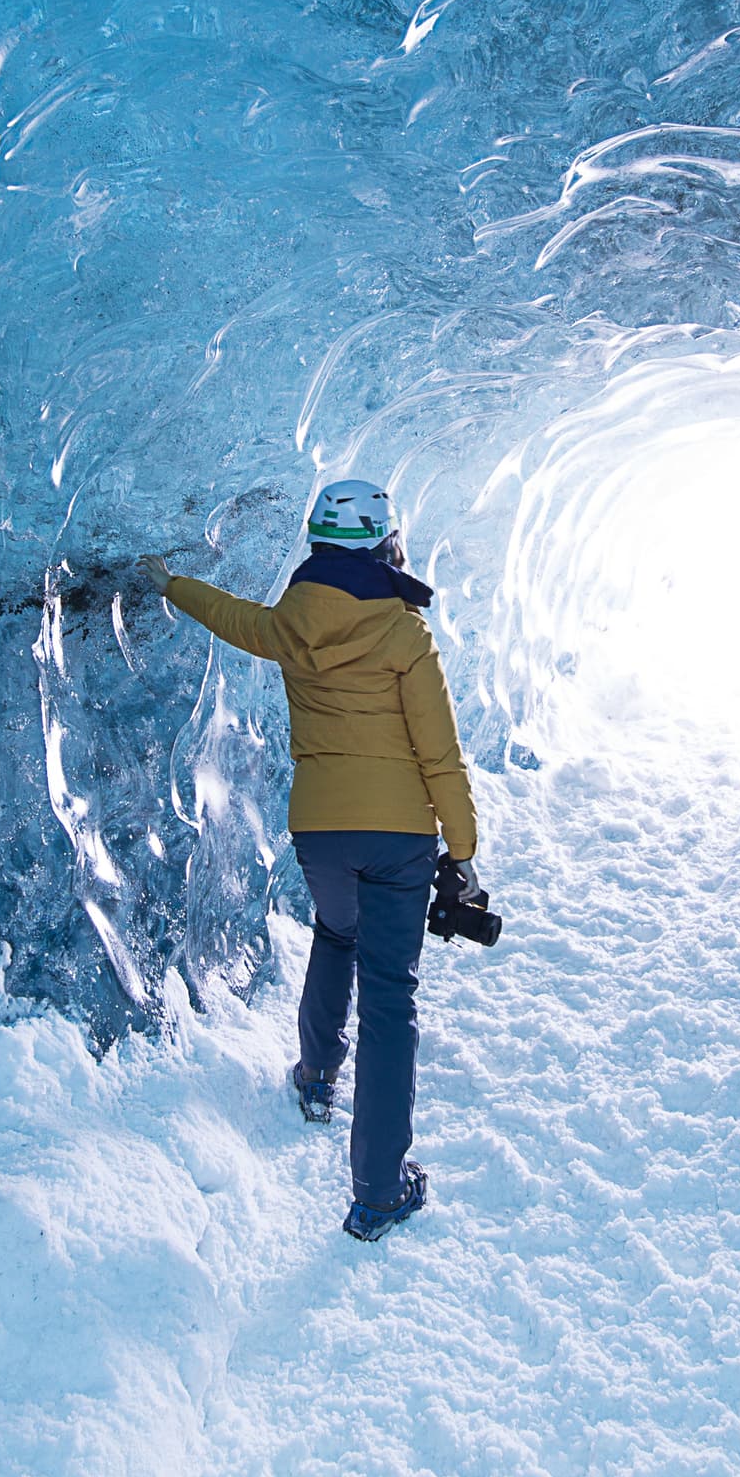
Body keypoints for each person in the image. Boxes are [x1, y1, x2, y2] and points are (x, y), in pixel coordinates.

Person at [160, 478, 480, 1244]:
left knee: (337, 936)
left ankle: (315, 1078)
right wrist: (462, 854)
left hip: (321, 831)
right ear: (383, 543)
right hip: (400, 836)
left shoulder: (292, 625)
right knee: (391, 1000)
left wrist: (168, 583)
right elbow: (441, 755)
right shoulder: (404, 636)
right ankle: (377, 1192)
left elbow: (232, 617)